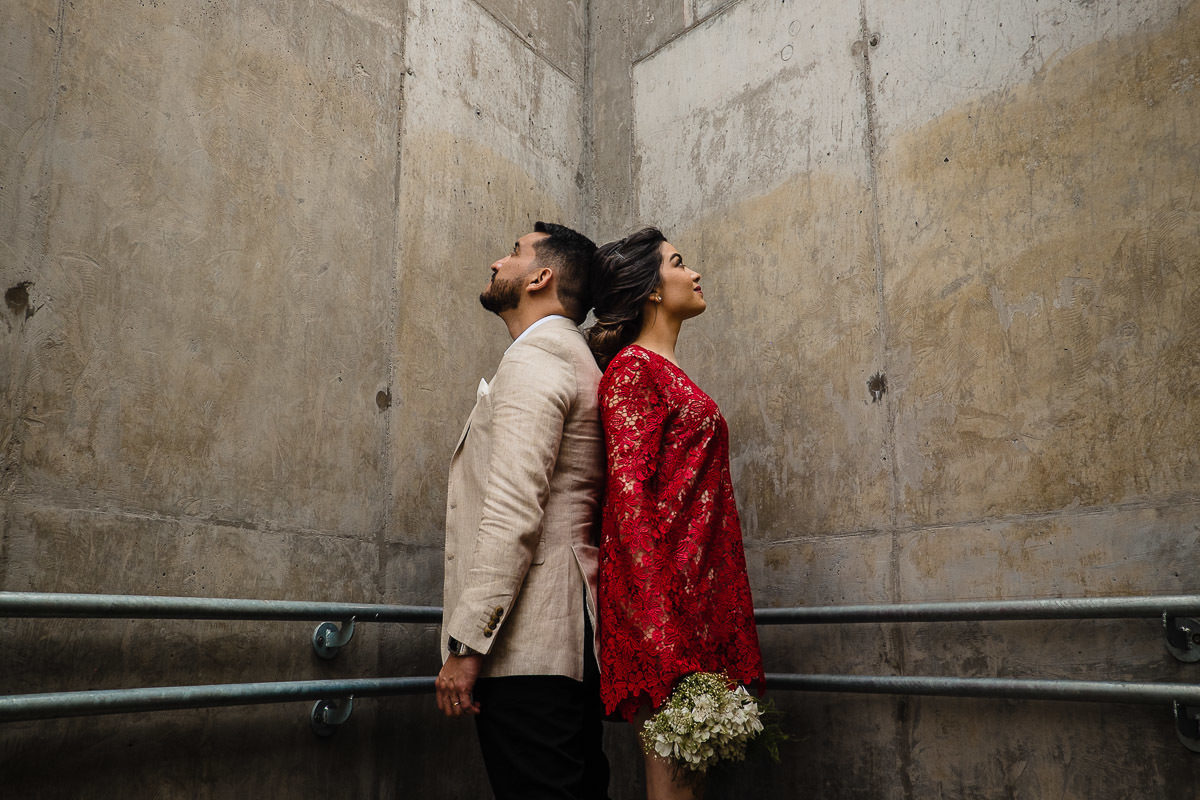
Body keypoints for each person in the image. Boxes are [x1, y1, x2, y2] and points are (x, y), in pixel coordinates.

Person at [586, 227, 765, 800]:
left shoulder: (668, 370)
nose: (695, 274)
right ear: (652, 291)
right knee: (674, 788)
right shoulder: (632, 371)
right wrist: (658, 626)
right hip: (662, 606)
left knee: (693, 782)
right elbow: (628, 502)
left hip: (700, 596)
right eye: (680, 264)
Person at [436, 221, 610, 800]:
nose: (496, 262)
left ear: (541, 276)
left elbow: (512, 513)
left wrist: (466, 645)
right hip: (564, 642)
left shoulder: (536, 360)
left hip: (529, 648)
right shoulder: (574, 358)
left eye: (513, 252)